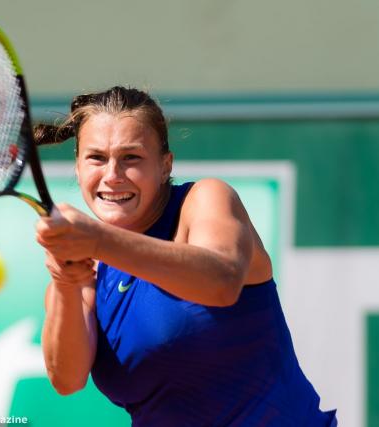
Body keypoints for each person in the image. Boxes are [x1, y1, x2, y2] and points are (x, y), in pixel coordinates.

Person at [33, 86, 337, 426]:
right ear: (77, 168)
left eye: (131, 157)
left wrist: (99, 241)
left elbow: (221, 281)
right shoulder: (84, 274)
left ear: (165, 166)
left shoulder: (205, 199)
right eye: (96, 158)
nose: (112, 175)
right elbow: (67, 380)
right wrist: (64, 282)